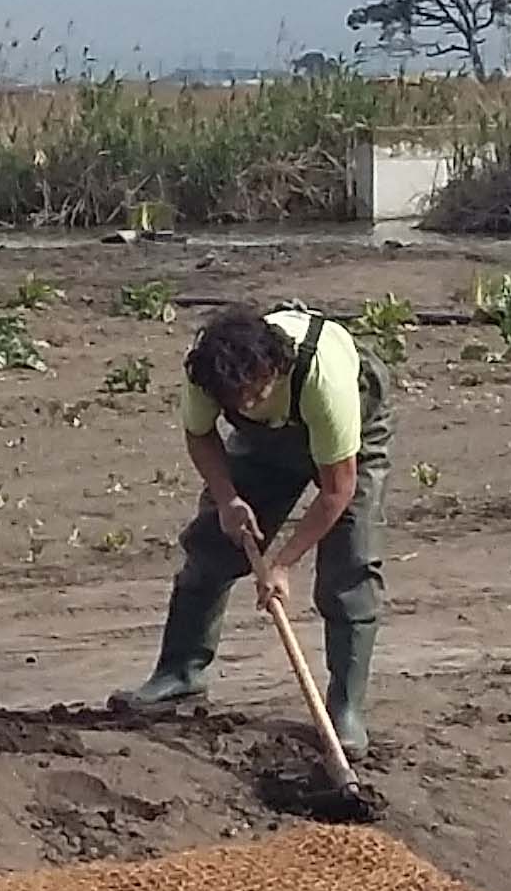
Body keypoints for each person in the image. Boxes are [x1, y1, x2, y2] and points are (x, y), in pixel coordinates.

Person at [113, 302, 393, 755]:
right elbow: (199, 434)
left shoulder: (322, 380)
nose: (243, 405)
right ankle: (180, 674)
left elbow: (336, 491)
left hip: (353, 429)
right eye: (233, 400)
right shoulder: (209, 374)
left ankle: (345, 710)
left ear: (274, 370)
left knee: (349, 571)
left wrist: (281, 564)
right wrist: (228, 500)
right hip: (266, 445)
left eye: (252, 394)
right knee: (210, 547)